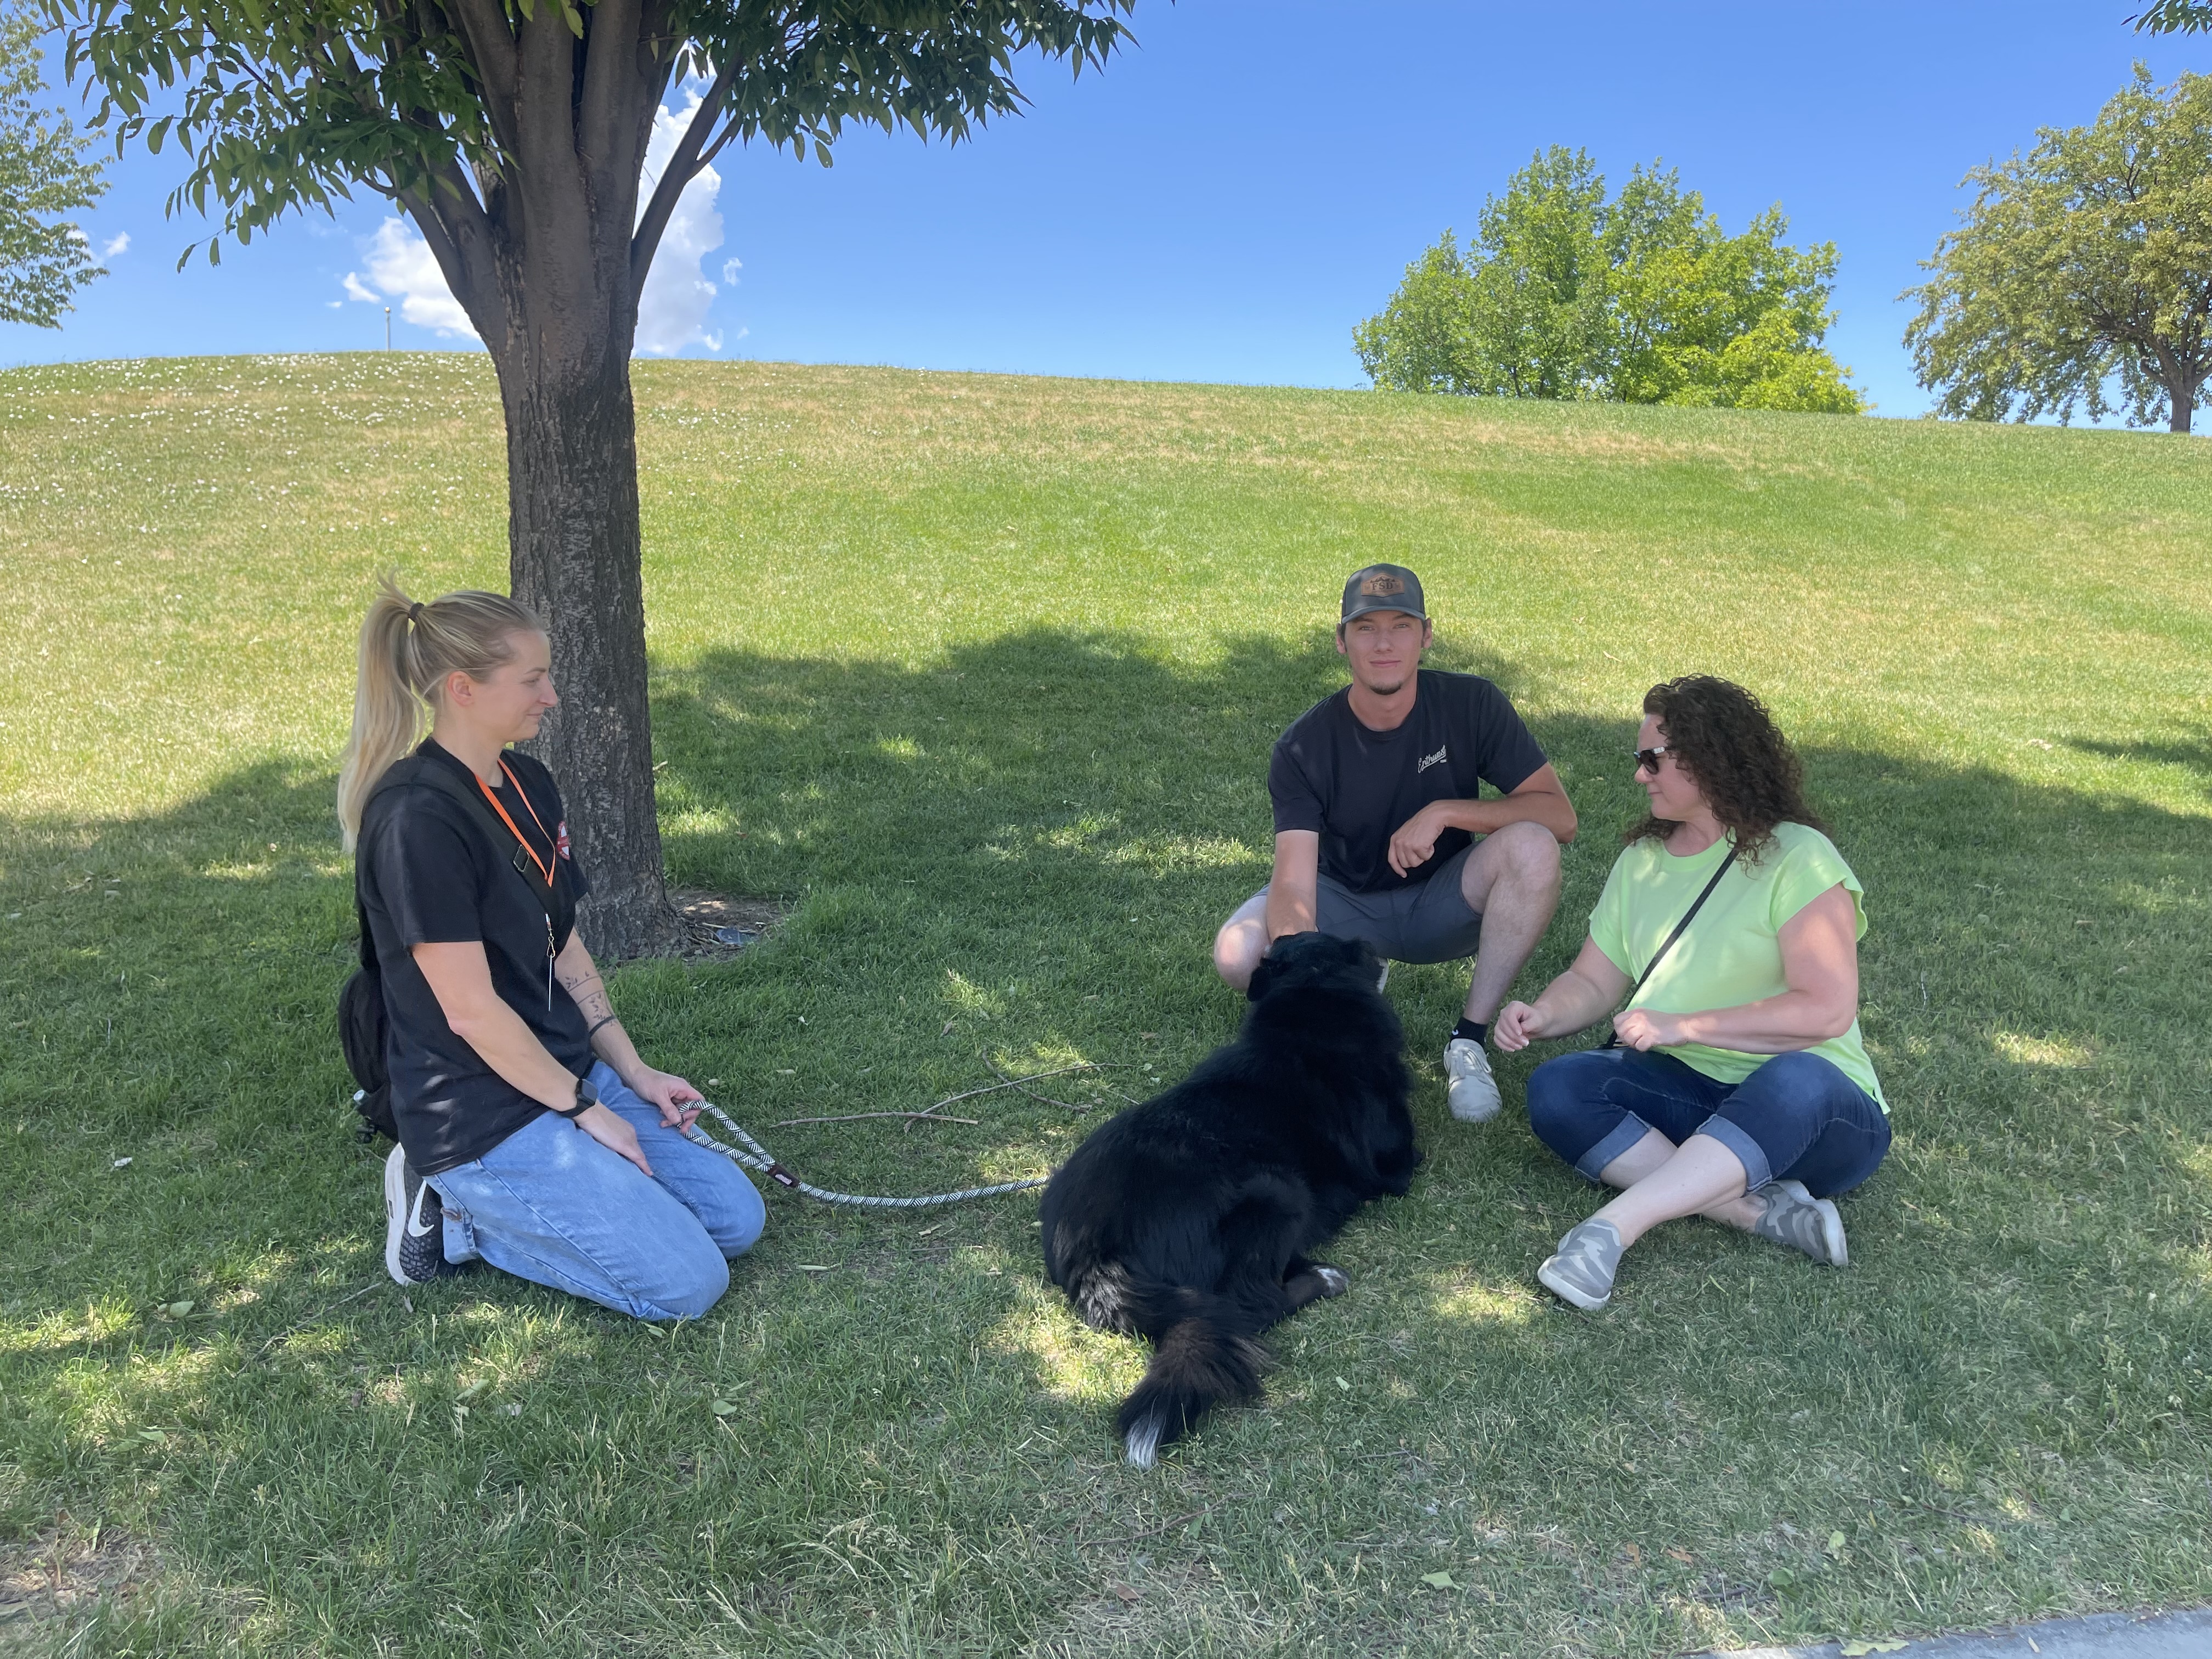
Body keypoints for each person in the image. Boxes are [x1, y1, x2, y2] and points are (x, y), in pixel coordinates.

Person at [337, 577, 764, 1317]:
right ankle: (453, 1210)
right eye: (533, 679)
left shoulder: (529, 783)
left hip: (562, 1073)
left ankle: (572, 1186)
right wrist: (582, 1112)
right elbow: (470, 1012)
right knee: (687, 1284)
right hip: (475, 1111)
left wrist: (632, 1072)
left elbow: (563, 945)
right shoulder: (416, 822)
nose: (552, 696)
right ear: (463, 689)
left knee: (735, 1220)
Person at [1493, 675, 1890, 1312]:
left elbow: (1826, 1009)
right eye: (1639, 760)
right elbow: (1595, 980)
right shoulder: (1642, 864)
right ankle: (1754, 1212)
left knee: (1797, 1079)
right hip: (1694, 1092)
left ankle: (1609, 1232)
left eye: (1652, 760)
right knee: (1560, 1088)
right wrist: (1543, 1012)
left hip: (1822, 1117)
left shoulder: (1800, 857)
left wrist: (1683, 1026)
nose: (1639, 776)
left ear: (1709, 760)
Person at [1212, 563, 1577, 1121]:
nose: (1384, 643)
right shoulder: (1303, 747)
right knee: (1238, 954)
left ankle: (1469, 1041)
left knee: (1533, 845)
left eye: (1401, 625)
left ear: (1426, 635)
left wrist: (1445, 811)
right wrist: (1311, 977)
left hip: (1444, 902)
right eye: (1365, 628)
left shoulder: (1472, 704)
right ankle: (1355, 980)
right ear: (1341, 641)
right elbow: (1292, 879)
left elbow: (1559, 816)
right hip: (1345, 904)